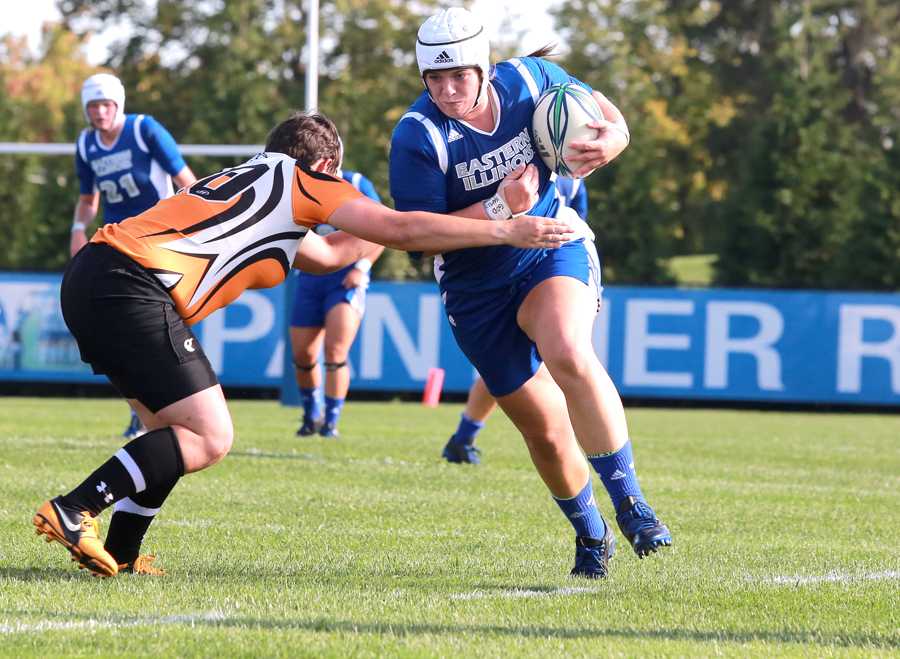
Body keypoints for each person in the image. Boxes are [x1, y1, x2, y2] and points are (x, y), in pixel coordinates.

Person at [32, 110, 574, 578]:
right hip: (134, 285)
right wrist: (501, 220)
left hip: (95, 276)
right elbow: (404, 232)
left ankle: (123, 552)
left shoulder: (253, 183)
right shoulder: (305, 180)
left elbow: (335, 254)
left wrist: (396, 220)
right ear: (327, 168)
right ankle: (75, 507)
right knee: (211, 435)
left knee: (166, 433)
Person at [389, 7, 671, 579]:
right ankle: (591, 534)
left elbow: (604, 113)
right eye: (433, 80)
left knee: (568, 350)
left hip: (548, 246)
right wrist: (500, 213)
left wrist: (615, 138)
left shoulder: (528, 80)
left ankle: (632, 503)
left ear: (485, 67)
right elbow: (418, 236)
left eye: (458, 76)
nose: (445, 89)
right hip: (474, 287)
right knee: (542, 429)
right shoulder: (417, 135)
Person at [71, 73, 197, 442]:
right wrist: (77, 230)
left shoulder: (144, 130)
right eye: (92, 106)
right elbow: (88, 199)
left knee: (161, 327)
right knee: (124, 328)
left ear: (118, 104)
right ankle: (141, 412)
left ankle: (168, 407)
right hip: (119, 244)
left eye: (105, 104)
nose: (99, 112)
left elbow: (186, 180)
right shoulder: (86, 144)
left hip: (160, 238)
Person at [442, 176, 588, 465]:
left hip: (548, 269)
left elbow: (574, 226)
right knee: (514, 364)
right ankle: (463, 438)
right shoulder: (517, 166)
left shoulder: (573, 182)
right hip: (499, 273)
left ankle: (463, 437)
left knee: (561, 355)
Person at [290, 160, 384, 438]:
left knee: (335, 351)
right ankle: (310, 414)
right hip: (309, 279)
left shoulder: (356, 184)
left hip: (344, 279)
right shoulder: (301, 187)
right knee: (303, 355)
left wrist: (362, 267)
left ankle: (331, 421)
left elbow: (382, 230)